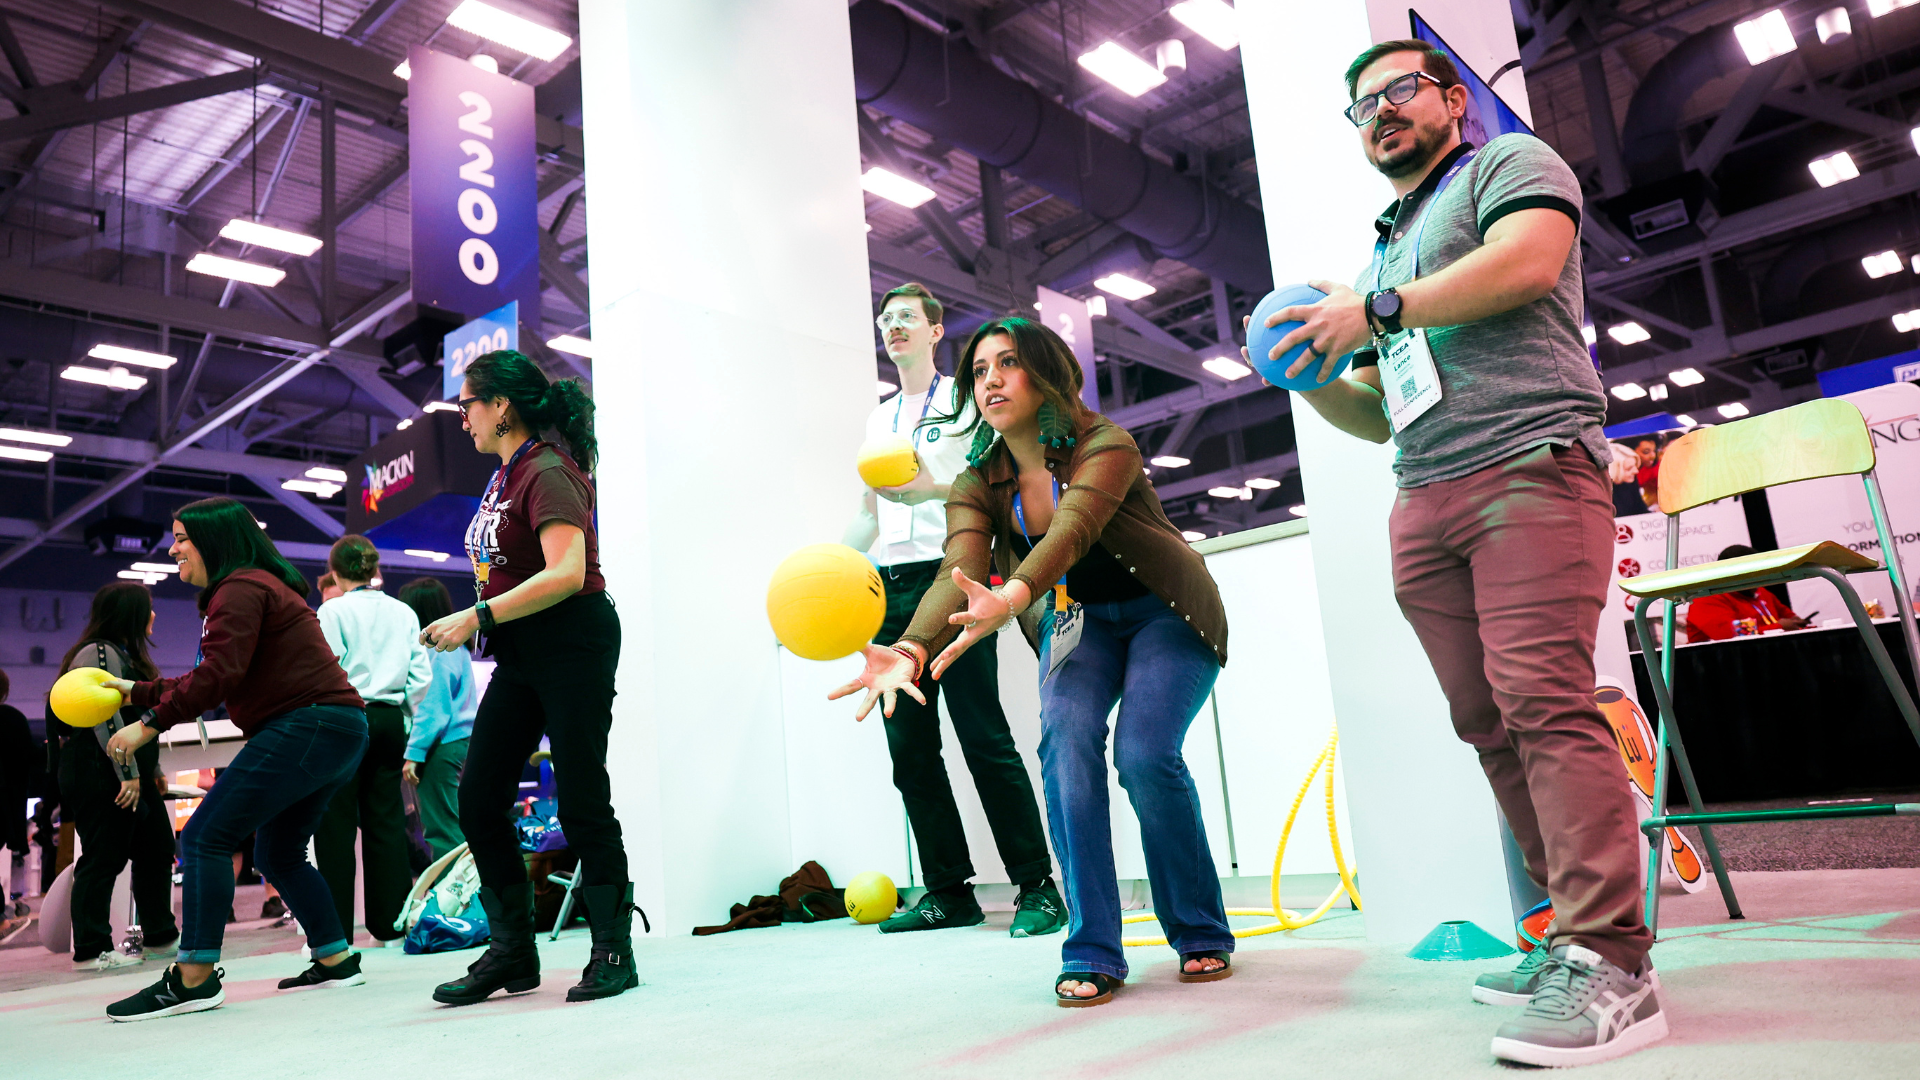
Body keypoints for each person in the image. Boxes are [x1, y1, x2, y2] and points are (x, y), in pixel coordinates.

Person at [1250, 38, 1665, 1066]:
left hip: (1531, 465)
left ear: (1449, 98)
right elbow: (1385, 416)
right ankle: (1559, 937)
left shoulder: (1510, 167)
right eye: (1362, 106)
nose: (1381, 112)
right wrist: (1308, 377)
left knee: (1545, 703)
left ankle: (1617, 967)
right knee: (1487, 722)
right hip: (1424, 494)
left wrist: (1374, 311)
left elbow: (1526, 265)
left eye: (1399, 90)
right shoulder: (1382, 251)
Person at [834, 317, 1233, 1008]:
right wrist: (909, 648)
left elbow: (1074, 527)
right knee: (1065, 745)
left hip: (1166, 611)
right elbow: (955, 571)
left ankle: (1199, 928)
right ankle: (1093, 948)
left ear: (1045, 373)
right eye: (980, 370)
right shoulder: (976, 479)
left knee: (1143, 755)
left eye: (1008, 363)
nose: (990, 380)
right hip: (1079, 623)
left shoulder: (1104, 442)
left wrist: (1014, 592)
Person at [419, 349, 639, 1005]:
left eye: (467, 405)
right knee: (479, 796)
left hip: (574, 638)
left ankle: (612, 952)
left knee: (581, 799)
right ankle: (512, 953)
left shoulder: (545, 469)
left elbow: (567, 572)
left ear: (501, 406)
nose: (463, 419)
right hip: (522, 649)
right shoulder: (504, 476)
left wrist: (474, 615)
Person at [841, 283, 1061, 937]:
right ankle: (947, 891)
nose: (894, 327)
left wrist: (926, 492)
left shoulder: (968, 405)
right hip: (888, 589)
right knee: (909, 749)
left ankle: (1036, 887)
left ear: (937, 331)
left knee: (984, 737)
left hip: (958, 576)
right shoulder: (878, 419)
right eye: (885, 318)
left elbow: (986, 487)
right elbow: (865, 515)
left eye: (907, 317)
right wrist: (825, 571)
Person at [97, 496, 369, 1021]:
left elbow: (218, 675)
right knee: (280, 851)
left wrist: (148, 723)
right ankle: (336, 957)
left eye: (182, 538)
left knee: (204, 836)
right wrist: (137, 691)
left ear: (214, 540)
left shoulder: (240, 588)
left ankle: (194, 978)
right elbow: (218, 673)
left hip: (309, 725)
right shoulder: (255, 586)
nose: (173, 549)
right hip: (332, 726)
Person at [54, 584, 181, 970]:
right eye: (150, 609)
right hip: (101, 770)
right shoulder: (99, 652)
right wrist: (127, 772)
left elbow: (136, 716)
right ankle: (91, 949)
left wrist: (151, 770)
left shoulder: (122, 653)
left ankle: (160, 936)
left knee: (157, 846)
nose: (154, 616)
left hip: (128, 769)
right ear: (130, 613)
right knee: (103, 856)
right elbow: (105, 717)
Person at [314, 535, 432, 946]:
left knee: (335, 825)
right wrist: (401, 713)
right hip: (389, 720)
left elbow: (325, 670)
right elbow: (421, 676)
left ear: (335, 572)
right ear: (374, 569)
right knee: (386, 821)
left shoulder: (332, 610)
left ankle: (334, 934)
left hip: (347, 716)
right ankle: (390, 924)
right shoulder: (403, 612)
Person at [398, 577, 477, 860]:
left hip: (442, 746)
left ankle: (459, 901)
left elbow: (433, 707)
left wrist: (414, 754)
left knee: (442, 831)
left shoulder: (438, 650)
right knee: (454, 824)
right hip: (460, 742)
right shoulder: (459, 647)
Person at [1684, 545, 1812, 641]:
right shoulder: (1706, 599)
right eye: (1752, 572)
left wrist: (1797, 623)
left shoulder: (1760, 591)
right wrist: (1779, 626)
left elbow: (1788, 617)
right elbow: (1731, 635)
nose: (1758, 577)